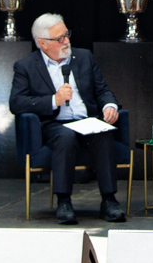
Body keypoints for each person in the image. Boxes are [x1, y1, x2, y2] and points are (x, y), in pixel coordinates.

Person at [9, 13, 125, 225]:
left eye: (67, 35)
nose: (67, 41)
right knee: (65, 136)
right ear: (42, 43)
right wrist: (53, 100)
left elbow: (102, 90)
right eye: (60, 38)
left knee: (104, 132)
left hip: (86, 120)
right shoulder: (26, 66)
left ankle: (109, 200)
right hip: (55, 124)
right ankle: (64, 201)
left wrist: (110, 106)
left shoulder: (83, 57)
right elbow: (16, 103)